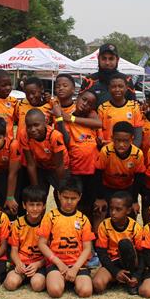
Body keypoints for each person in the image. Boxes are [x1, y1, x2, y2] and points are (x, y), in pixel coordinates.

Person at [37, 178, 95, 298]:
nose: (69, 201)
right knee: (55, 291)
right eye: (65, 197)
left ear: (79, 197)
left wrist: (75, 268)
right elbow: (42, 244)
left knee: (86, 292)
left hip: (77, 264)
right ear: (59, 195)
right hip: (56, 264)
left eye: (73, 198)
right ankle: (59, 280)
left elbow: (87, 248)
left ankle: (74, 281)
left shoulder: (83, 219)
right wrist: (58, 263)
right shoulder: (50, 217)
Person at [52, 87, 102, 216]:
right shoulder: (66, 117)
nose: (85, 104)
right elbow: (65, 140)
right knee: (74, 203)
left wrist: (71, 119)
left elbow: (99, 127)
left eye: (90, 104)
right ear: (78, 98)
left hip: (93, 171)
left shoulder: (91, 119)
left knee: (90, 205)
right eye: (84, 100)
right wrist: (60, 118)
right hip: (75, 171)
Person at [93, 121, 146, 224]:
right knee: (100, 210)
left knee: (131, 212)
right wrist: (100, 198)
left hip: (127, 188)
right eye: (118, 140)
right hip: (107, 187)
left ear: (132, 139)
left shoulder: (137, 154)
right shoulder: (106, 151)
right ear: (112, 138)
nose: (121, 144)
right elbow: (98, 174)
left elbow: (139, 178)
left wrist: (135, 201)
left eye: (125, 141)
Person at [92, 190, 144, 295]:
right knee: (98, 284)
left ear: (128, 210)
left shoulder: (135, 227)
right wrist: (115, 272)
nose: (113, 212)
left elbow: (142, 255)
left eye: (118, 209)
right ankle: (117, 278)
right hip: (112, 263)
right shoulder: (104, 226)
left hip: (131, 264)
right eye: (111, 208)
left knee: (124, 244)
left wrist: (137, 275)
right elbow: (102, 254)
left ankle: (130, 279)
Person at [4, 186, 48, 293]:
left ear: (44, 206)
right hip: (21, 262)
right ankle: (22, 277)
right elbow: (14, 250)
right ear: (24, 205)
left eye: (38, 205)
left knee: (37, 285)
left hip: (39, 263)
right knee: (10, 284)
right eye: (31, 205)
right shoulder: (18, 224)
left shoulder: (47, 224)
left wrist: (38, 264)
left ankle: (35, 278)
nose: (35, 208)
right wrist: (18, 264)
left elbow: (51, 252)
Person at [20, 108, 69, 203]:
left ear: (45, 123)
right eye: (29, 126)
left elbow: (59, 165)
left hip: (59, 168)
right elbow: (30, 164)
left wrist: (61, 186)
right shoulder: (24, 135)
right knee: (38, 197)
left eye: (36, 125)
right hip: (41, 166)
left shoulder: (55, 136)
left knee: (62, 195)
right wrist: (35, 188)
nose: (32, 129)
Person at [97, 73, 143, 146]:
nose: (117, 89)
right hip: (108, 148)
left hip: (129, 149)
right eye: (113, 87)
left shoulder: (134, 107)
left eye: (120, 86)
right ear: (109, 88)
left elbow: (138, 134)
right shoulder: (102, 108)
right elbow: (99, 133)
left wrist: (132, 149)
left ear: (126, 88)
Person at [14, 76, 53, 141]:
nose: (30, 96)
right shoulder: (20, 105)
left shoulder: (49, 107)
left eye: (33, 93)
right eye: (27, 94)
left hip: (40, 146)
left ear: (42, 89)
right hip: (21, 145)